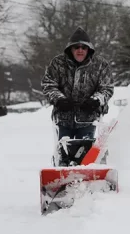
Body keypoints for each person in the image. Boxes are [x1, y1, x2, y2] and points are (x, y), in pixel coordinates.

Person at [41, 27, 115, 165]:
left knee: (85, 155)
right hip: (63, 118)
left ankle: (84, 182)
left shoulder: (100, 65)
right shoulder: (57, 63)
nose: (80, 50)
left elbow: (107, 88)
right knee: (63, 153)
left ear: (89, 49)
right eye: (76, 47)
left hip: (88, 119)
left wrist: (96, 100)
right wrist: (59, 99)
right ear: (70, 49)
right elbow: (48, 85)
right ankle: (61, 179)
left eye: (84, 47)